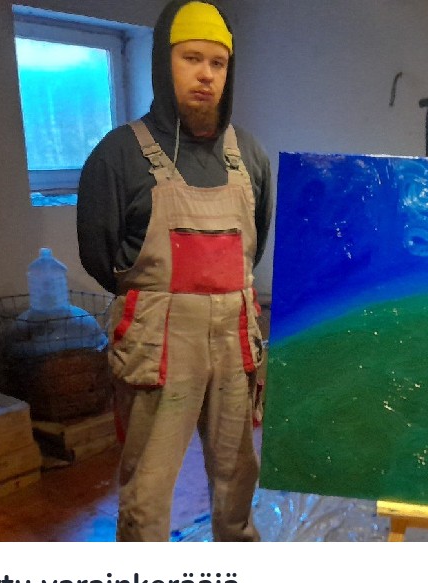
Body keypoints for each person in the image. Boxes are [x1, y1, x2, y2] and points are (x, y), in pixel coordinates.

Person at [76, 0, 272, 542]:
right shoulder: (118, 155)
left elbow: (254, 246)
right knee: (148, 488)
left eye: (218, 62)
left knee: (238, 477)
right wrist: (164, 295)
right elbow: (99, 256)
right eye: (191, 59)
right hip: (159, 342)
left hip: (234, 338)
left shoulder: (249, 156)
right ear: (165, 64)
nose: (206, 74)